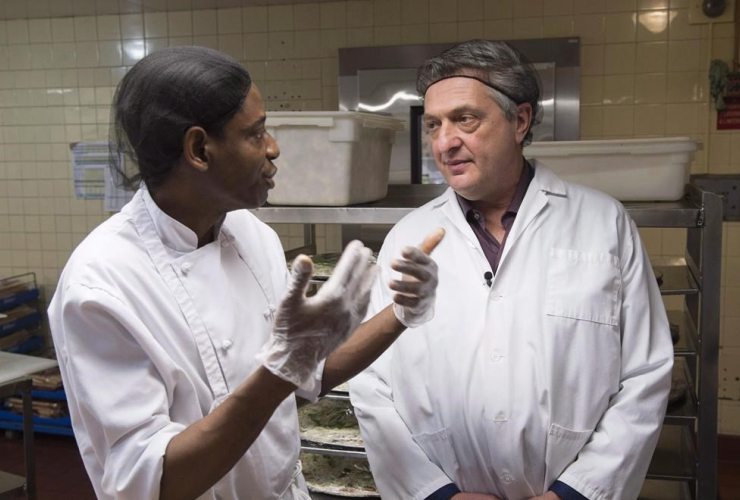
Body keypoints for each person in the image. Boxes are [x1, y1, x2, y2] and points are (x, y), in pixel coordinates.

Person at [47, 46, 444, 500]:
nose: (274, 148)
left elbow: (305, 377)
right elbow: (152, 480)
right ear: (199, 149)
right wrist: (280, 371)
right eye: (256, 134)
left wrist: (401, 311)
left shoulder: (252, 235)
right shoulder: (102, 284)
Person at [349, 39, 673, 500]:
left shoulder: (604, 223)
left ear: (519, 121)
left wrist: (581, 491)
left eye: (465, 119)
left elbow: (647, 370)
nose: (444, 142)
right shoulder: (408, 236)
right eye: (434, 124)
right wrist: (436, 494)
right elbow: (371, 381)